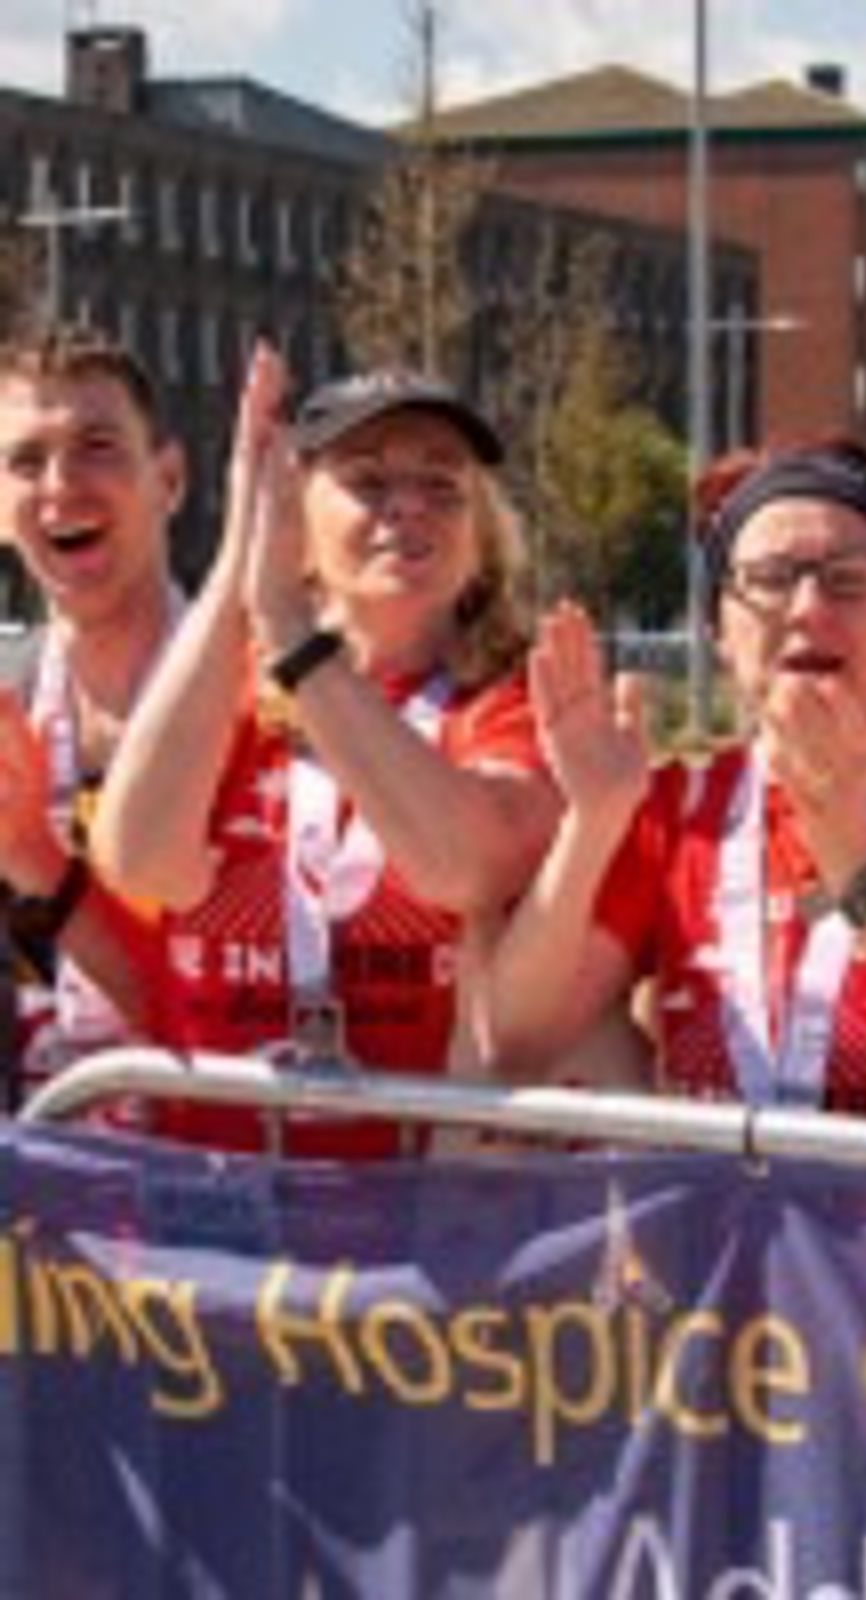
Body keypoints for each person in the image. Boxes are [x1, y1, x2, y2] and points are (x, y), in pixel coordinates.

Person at [91, 347, 560, 1155]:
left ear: (479, 540)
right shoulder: (221, 692)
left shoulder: (519, 704)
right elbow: (138, 859)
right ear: (296, 523)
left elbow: (464, 867)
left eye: (442, 486)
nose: (406, 506)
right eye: (368, 482)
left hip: (422, 1226)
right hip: (213, 1216)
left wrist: (296, 640)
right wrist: (243, 553)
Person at [485, 438, 866, 1124]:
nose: (807, 608)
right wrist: (591, 822)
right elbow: (514, 1043)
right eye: (771, 577)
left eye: (851, 577)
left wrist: (850, 848)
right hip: (730, 1226)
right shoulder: (675, 809)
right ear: (718, 624)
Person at [0, 325, 187, 1110]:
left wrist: (38, 862)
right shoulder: (8, 700)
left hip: (220, 1185)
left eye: (99, 446)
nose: (60, 486)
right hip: (31, 1188)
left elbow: (233, 1014)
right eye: (26, 461)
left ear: (169, 480)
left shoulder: (274, 709)